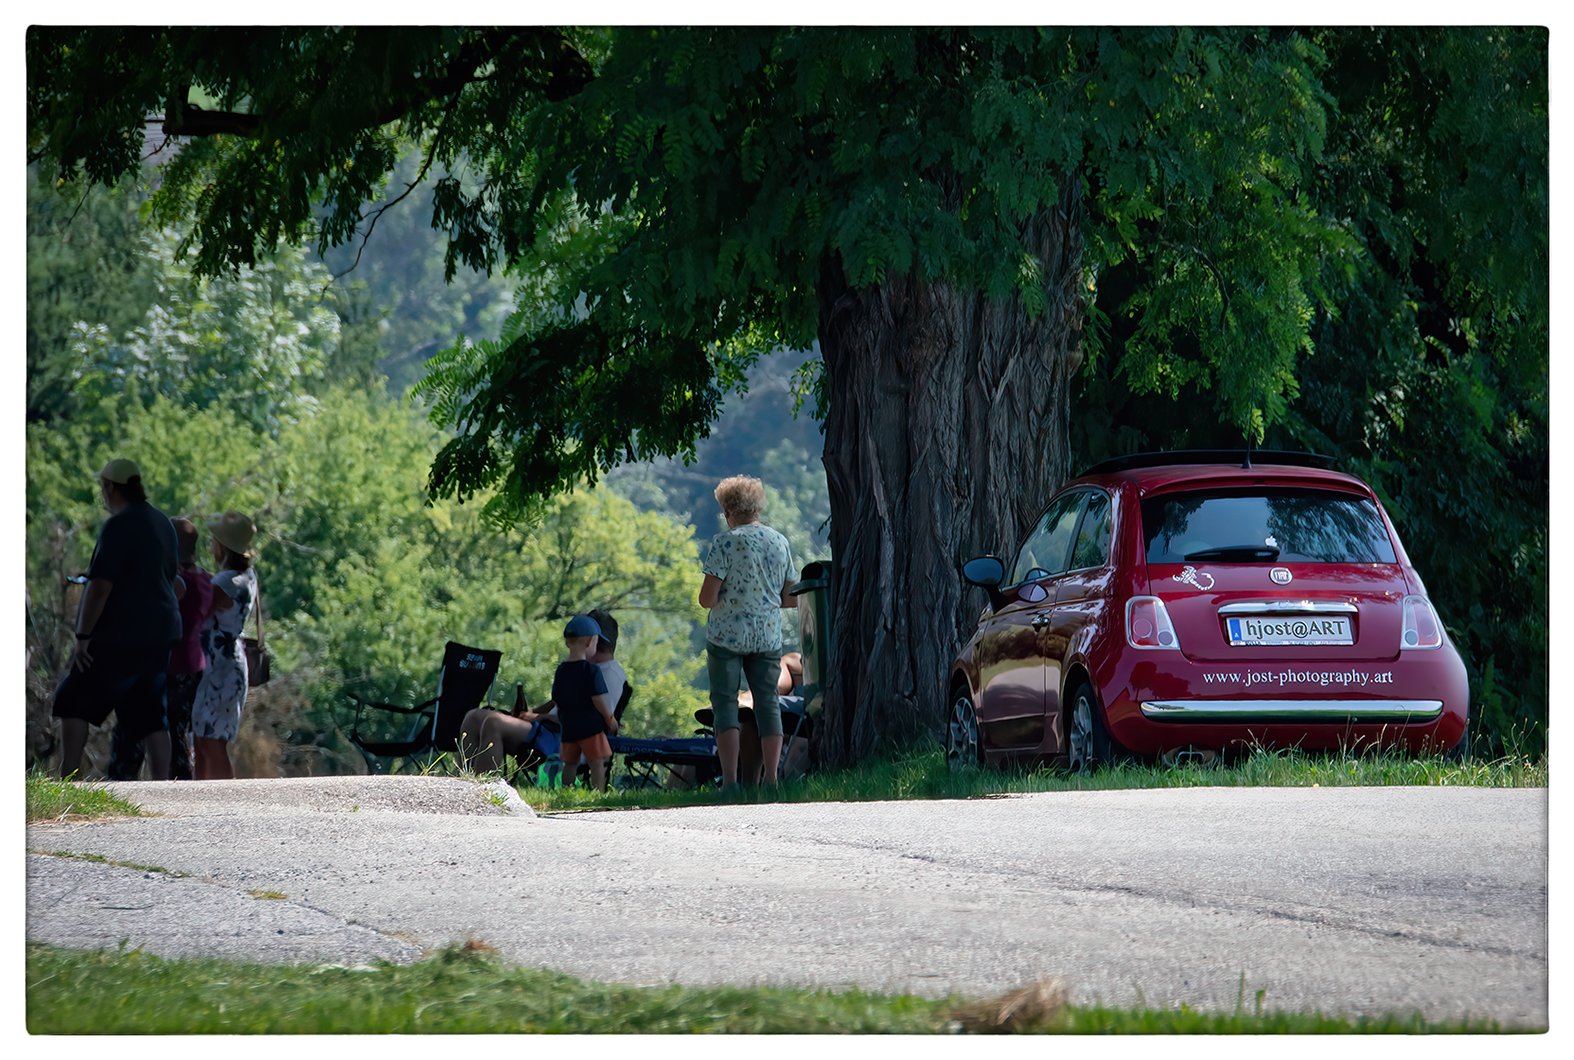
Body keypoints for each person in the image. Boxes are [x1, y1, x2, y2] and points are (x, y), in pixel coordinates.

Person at [52, 459, 184, 780]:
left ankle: (69, 778)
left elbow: (99, 588)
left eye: (103, 488)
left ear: (111, 488)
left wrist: (83, 637)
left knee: (72, 698)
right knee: (152, 710)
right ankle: (163, 787)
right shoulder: (162, 522)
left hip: (122, 632)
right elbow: (175, 583)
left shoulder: (118, 525)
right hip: (162, 630)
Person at [698, 475, 797, 791]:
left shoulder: (725, 542)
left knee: (725, 703)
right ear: (756, 507)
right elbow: (790, 598)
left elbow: (706, 599)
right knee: (767, 703)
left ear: (727, 511)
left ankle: (730, 783)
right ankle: (771, 779)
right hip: (766, 637)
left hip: (726, 637)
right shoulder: (779, 542)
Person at [108, 517, 213, 781]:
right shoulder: (206, 581)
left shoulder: (172, 581)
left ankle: (123, 777)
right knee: (176, 732)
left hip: (165, 665)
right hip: (193, 666)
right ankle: (177, 783)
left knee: (135, 725)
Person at [191, 511, 258, 780]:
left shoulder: (225, 583)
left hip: (219, 669)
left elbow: (198, 613)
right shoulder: (246, 577)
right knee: (205, 738)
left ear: (223, 546)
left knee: (210, 741)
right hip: (228, 664)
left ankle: (221, 800)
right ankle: (205, 799)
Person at [554, 614, 618, 791]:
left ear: (568, 642)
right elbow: (598, 698)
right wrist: (609, 718)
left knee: (570, 763)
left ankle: (566, 791)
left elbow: (556, 697)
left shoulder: (561, 670)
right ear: (590, 643)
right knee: (596, 762)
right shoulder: (592, 670)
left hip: (568, 726)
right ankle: (599, 792)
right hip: (590, 727)